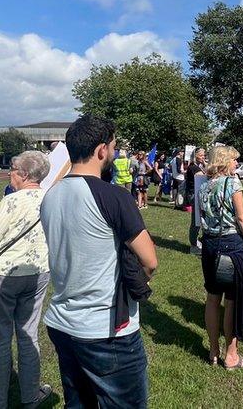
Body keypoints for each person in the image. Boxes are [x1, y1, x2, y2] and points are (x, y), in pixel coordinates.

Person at [40, 116, 158, 408]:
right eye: (114, 147)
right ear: (102, 150)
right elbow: (150, 260)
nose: (115, 154)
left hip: (63, 323)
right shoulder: (112, 195)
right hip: (106, 330)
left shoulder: (50, 195)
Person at [0, 151, 54, 409]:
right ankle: (30, 396)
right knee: (28, 336)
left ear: (24, 174)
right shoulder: (51, 198)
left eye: (13, 168)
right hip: (39, 273)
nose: (9, 172)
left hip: (5, 277)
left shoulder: (12, 201)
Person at [199, 146, 243, 369]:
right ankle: (231, 355)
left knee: (212, 298)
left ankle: (213, 351)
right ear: (225, 161)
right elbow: (242, 218)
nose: (236, 164)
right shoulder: (231, 183)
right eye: (234, 160)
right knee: (232, 300)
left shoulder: (204, 186)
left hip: (210, 244)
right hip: (231, 244)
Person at [185, 148, 207, 255]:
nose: (203, 157)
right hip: (194, 195)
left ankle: (199, 242)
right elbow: (204, 175)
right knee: (196, 221)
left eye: (204, 155)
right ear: (196, 155)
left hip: (199, 194)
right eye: (201, 155)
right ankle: (193, 245)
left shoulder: (199, 166)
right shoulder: (193, 167)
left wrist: (204, 163)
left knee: (201, 220)